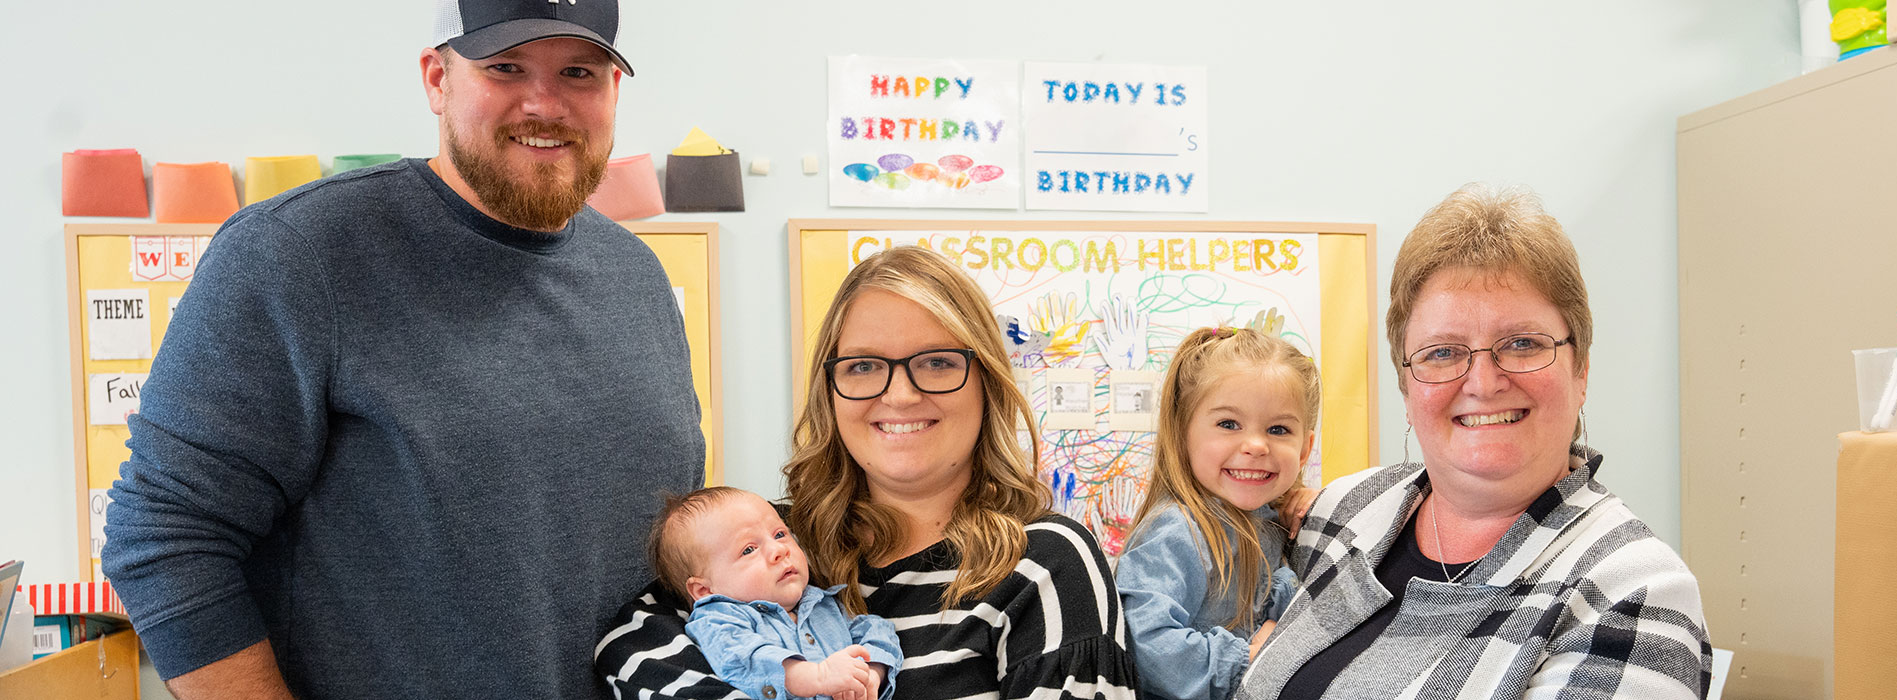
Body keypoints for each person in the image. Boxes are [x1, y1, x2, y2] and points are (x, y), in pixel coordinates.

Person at [100, 1, 706, 698]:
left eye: (579, 72)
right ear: (435, 79)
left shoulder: (636, 277)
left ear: (613, 91)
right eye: (505, 67)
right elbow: (164, 535)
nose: (546, 103)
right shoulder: (296, 255)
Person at [596, 245, 1138, 699]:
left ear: (987, 382)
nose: (899, 394)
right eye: (862, 366)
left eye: (937, 361)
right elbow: (626, 649)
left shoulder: (1044, 563)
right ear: (829, 392)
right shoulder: (766, 538)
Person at [1235, 185, 1711, 699]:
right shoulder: (1343, 510)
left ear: (1582, 372)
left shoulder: (1635, 591)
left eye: (1523, 343)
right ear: (1406, 385)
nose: (1483, 383)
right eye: (1442, 352)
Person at [1116, 326, 1319, 700]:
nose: (1257, 445)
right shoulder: (1177, 530)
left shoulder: (1274, 523)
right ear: (1182, 434)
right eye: (1228, 424)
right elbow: (1146, 642)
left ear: (1304, 450)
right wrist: (1252, 659)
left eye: (1278, 429)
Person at [653, 487, 901, 700]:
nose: (778, 550)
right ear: (705, 590)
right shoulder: (719, 619)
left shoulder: (822, 604)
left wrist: (871, 671)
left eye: (780, 534)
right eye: (749, 549)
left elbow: (876, 631)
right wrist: (818, 676)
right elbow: (745, 658)